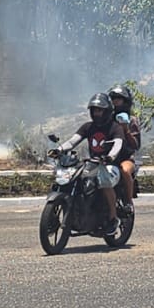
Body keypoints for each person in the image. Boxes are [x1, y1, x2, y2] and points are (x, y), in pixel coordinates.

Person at [50, 93, 127, 233]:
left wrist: (110, 156)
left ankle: (113, 217)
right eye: (94, 110)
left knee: (104, 181)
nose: (96, 113)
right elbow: (73, 141)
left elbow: (118, 144)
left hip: (110, 165)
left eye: (99, 110)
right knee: (72, 179)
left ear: (107, 111)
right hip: (91, 163)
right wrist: (59, 149)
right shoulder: (88, 127)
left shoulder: (115, 128)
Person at [107, 85, 140, 203]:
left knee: (125, 171)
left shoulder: (132, 120)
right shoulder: (107, 119)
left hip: (125, 158)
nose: (115, 101)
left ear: (125, 101)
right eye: (113, 98)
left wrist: (126, 130)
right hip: (107, 157)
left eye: (118, 98)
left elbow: (136, 145)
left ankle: (128, 202)